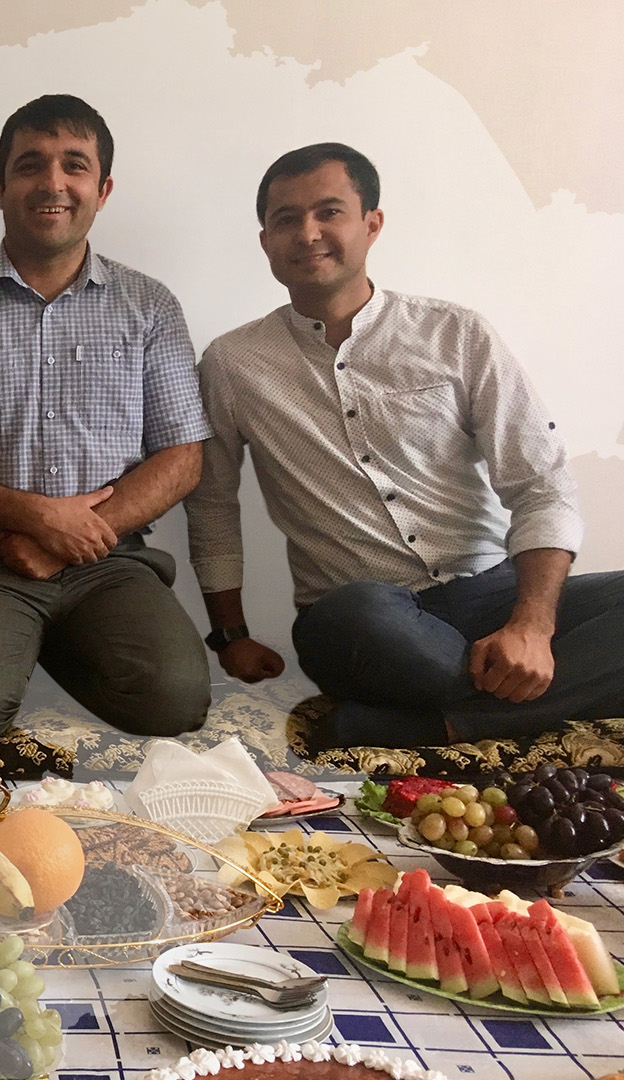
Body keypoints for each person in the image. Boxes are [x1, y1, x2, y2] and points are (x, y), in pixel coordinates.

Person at [186, 143, 624, 749]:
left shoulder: (456, 333)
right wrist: (230, 635)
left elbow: (541, 482)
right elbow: (211, 503)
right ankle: (508, 699)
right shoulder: (234, 364)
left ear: (373, 224)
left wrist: (531, 625)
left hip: (493, 589)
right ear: (265, 241)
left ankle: (442, 724)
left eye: (329, 212)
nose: (307, 233)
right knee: (360, 615)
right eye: (286, 219)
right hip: (362, 620)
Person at [0, 94, 214, 743]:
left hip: (110, 560)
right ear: (1, 188)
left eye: (74, 165)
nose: (52, 182)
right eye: (31, 165)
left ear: (102, 188)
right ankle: (15, 645)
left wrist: (67, 537)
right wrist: (35, 518)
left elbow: (183, 458)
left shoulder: (152, 306)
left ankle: (39, 649)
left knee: (174, 702)